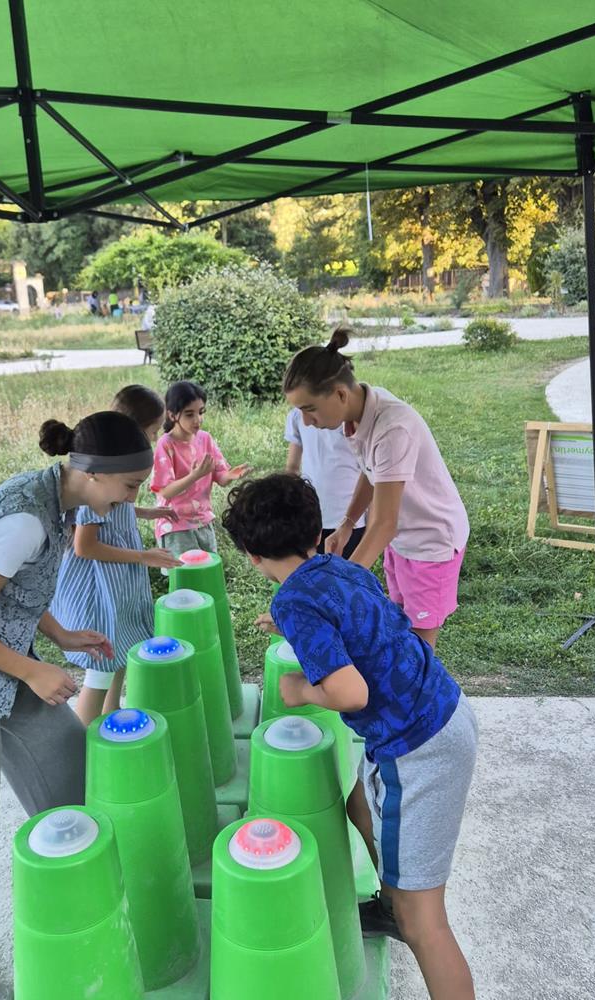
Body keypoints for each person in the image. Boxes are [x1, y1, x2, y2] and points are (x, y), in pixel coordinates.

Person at [0, 410, 155, 1000]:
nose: (130, 500)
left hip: (4, 662)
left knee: (74, 772)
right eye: (129, 486)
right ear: (93, 473)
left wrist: (61, 635)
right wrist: (35, 671)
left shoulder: (60, 504)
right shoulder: (23, 519)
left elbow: (16, 588)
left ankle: (94, 907)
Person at [222, 473, 478, 1000]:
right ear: (318, 534)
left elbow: (350, 693)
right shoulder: (339, 566)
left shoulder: (293, 603)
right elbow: (353, 618)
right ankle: (390, 903)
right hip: (437, 710)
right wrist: (296, 628)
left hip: (418, 748)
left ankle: (402, 911)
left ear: (251, 555)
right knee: (358, 802)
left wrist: (299, 690)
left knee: (425, 922)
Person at [282, 326, 469, 651]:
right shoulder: (358, 414)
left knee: (420, 647)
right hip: (402, 541)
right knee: (400, 624)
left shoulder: (392, 427)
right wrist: (347, 523)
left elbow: (384, 523)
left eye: (309, 408)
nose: (307, 421)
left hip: (431, 541)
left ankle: (417, 683)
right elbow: (371, 473)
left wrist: (342, 583)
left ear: (340, 394)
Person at [51, 386, 180, 726]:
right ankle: (84, 739)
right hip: (100, 589)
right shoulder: (96, 483)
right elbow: (86, 545)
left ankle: (110, 717)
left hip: (118, 582)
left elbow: (117, 508)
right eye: (152, 431)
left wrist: (147, 513)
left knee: (120, 650)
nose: (154, 439)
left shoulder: (115, 476)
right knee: (102, 663)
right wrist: (143, 557)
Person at [150, 380, 250, 559]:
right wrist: (195, 475)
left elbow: (221, 478)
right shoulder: (165, 444)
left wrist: (230, 475)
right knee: (184, 572)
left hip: (203, 521)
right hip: (175, 525)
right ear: (172, 415)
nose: (198, 419)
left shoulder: (205, 439)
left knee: (208, 569)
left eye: (201, 412)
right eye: (190, 414)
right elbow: (165, 491)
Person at [284, 405, 366, 557]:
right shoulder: (297, 415)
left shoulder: (353, 418)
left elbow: (368, 472)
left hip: (350, 519)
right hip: (310, 518)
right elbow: (292, 468)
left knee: (346, 569)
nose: (307, 419)